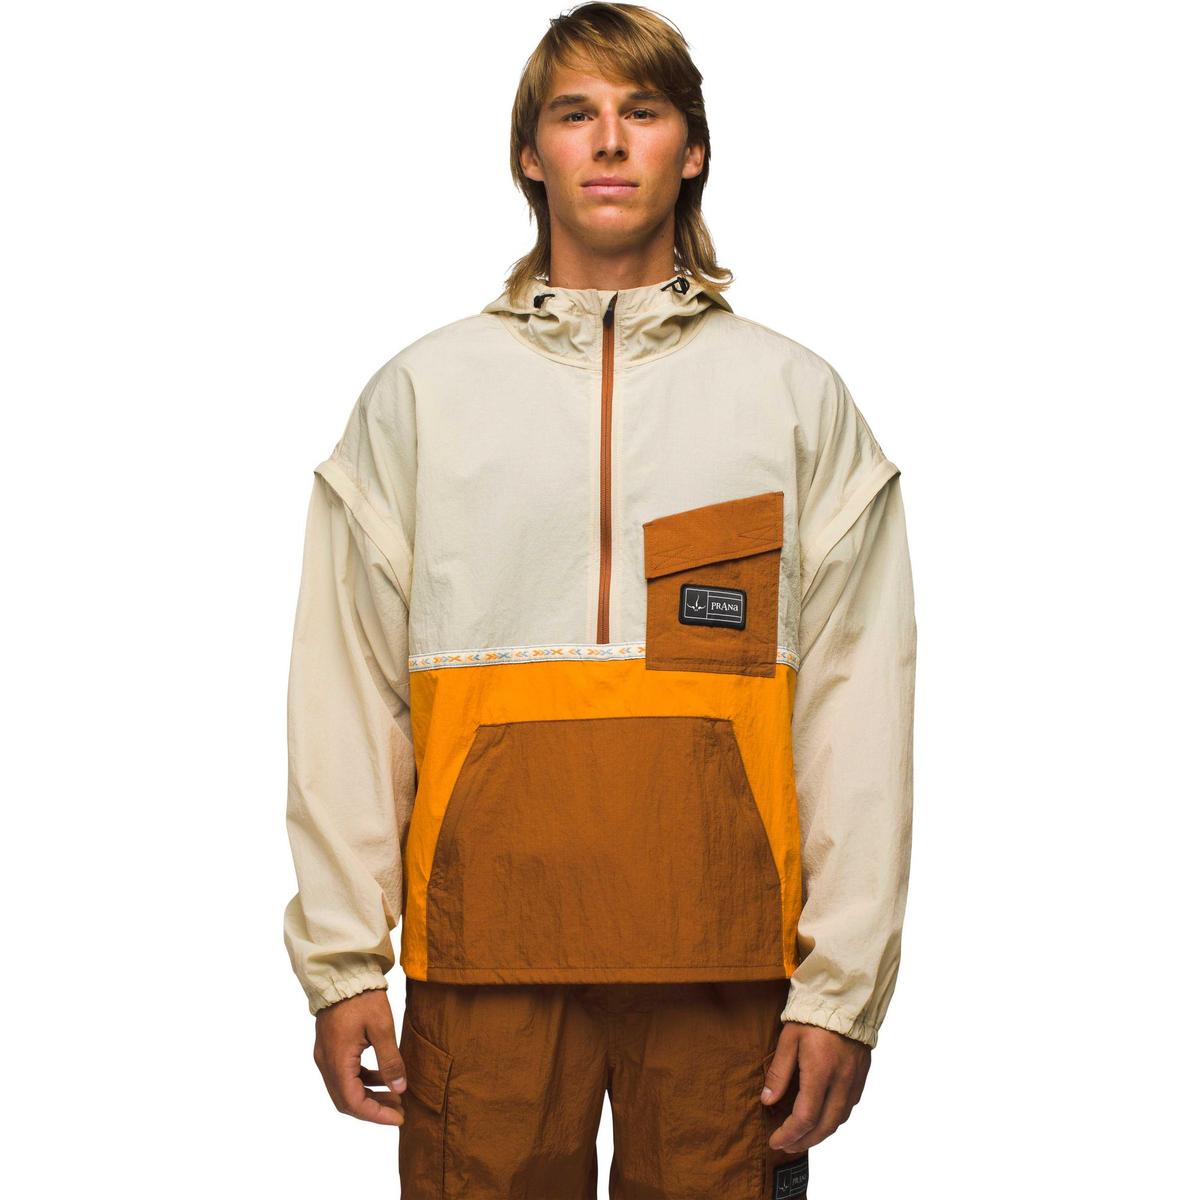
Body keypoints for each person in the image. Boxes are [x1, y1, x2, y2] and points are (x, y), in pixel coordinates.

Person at [282, 4, 916, 1196]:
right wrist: (342, 963)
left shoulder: (792, 398)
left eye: (644, 111)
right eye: (576, 114)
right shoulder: (422, 396)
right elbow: (344, 691)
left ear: (694, 147)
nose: (611, 141)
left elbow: (859, 708)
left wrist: (842, 991)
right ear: (531, 154)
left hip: (726, 956)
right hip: (484, 955)